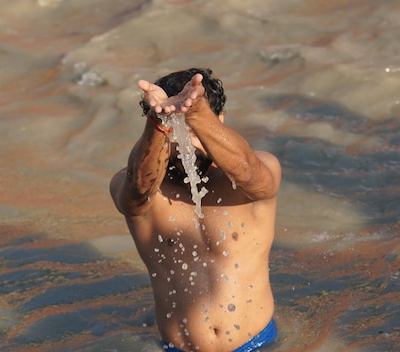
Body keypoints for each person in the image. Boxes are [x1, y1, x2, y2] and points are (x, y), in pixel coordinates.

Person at [110, 68, 282, 352]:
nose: (184, 148)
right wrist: (160, 120)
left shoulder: (258, 171)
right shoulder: (138, 186)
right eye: (174, 134)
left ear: (219, 121)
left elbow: (251, 176)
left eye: (191, 132)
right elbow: (136, 195)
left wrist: (197, 113)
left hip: (258, 345)